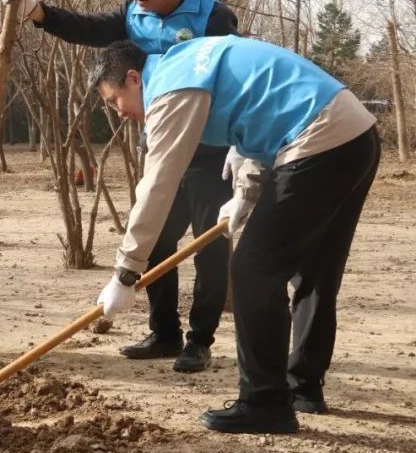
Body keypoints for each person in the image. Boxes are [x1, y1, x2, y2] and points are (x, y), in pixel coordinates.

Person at [91, 36, 379, 434]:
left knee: (252, 271)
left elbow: (159, 181)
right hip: (356, 134)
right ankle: (302, 390)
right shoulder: (189, 63)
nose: (119, 113)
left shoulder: (171, 89)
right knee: (315, 270)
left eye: (113, 100)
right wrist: (244, 194)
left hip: (319, 139)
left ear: (134, 78)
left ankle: (265, 402)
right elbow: (259, 113)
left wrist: (126, 271)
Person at [1, 0, 239, 372]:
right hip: (160, 144)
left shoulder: (213, 17)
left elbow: (232, 75)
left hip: (209, 150)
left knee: (209, 246)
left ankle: (199, 340)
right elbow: (89, 28)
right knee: (157, 241)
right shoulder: (134, 14)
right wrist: (38, 12)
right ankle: (163, 332)